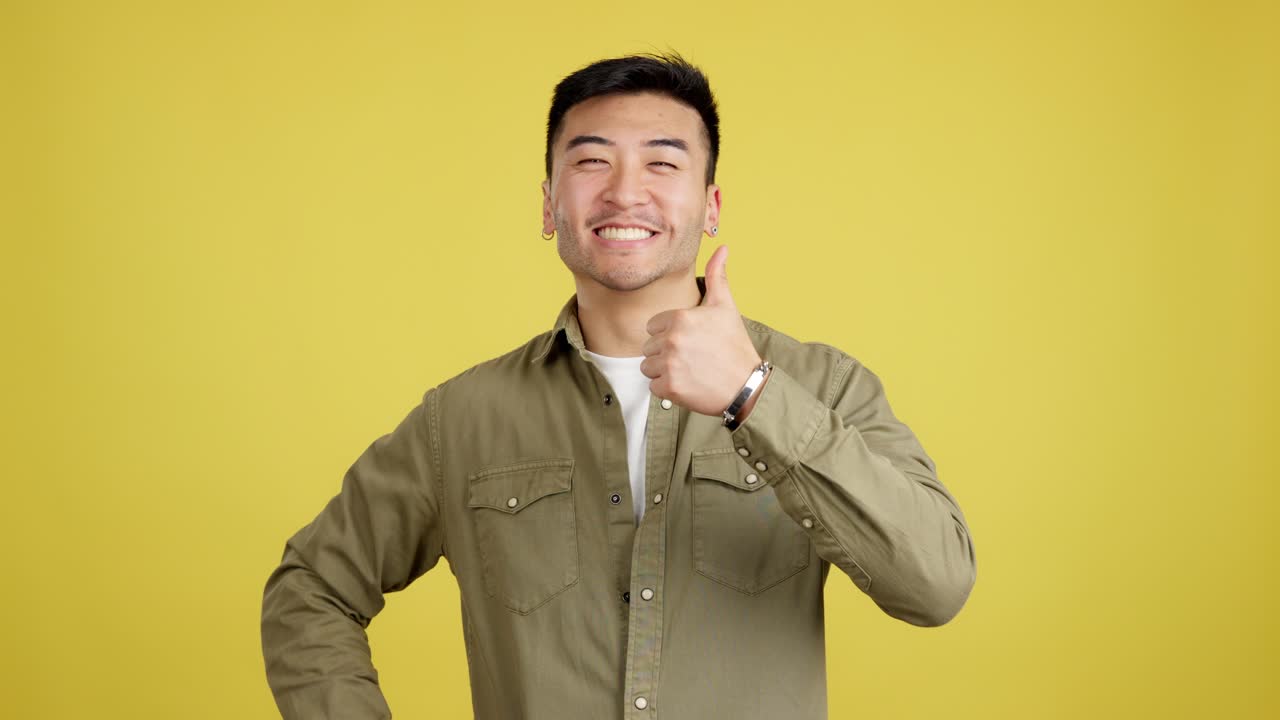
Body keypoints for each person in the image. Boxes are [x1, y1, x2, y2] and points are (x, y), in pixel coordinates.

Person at [261, 52, 976, 720]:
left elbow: (937, 585)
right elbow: (310, 589)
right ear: (549, 206)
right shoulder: (463, 418)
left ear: (711, 206)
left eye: (662, 162)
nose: (626, 192)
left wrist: (753, 395)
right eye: (592, 161)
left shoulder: (825, 387)